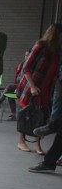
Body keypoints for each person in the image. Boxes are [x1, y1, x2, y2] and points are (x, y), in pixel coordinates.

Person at [15, 23, 62, 153]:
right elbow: (26, 67)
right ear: (56, 34)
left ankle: (37, 145)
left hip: (45, 88)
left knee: (41, 116)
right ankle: (21, 141)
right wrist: (32, 86)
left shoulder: (57, 51)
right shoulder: (40, 46)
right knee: (26, 114)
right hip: (32, 86)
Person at [0, 48, 30, 121]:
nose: (26, 57)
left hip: (26, 87)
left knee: (10, 87)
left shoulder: (31, 66)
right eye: (26, 55)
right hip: (18, 85)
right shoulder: (22, 64)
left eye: (28, 55)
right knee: (9, 91)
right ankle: (13, 114)